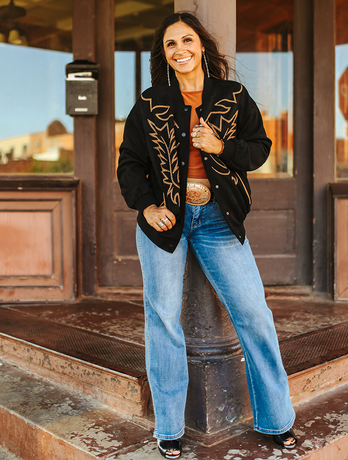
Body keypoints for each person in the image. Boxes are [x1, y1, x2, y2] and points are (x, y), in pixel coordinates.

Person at [117, 12, 297, 459]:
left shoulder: (233, 96)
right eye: (171, 44)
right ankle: (169, 428)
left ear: (202, 46)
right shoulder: (149, 102)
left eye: (187, 40)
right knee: (162, 320)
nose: (180, 49)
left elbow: (259, 149)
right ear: (165, 54)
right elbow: (129, 163)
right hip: (166, 223)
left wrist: (221, 147)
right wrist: (148, 205)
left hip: (218, 220)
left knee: (254, 313)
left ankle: (277, 418)